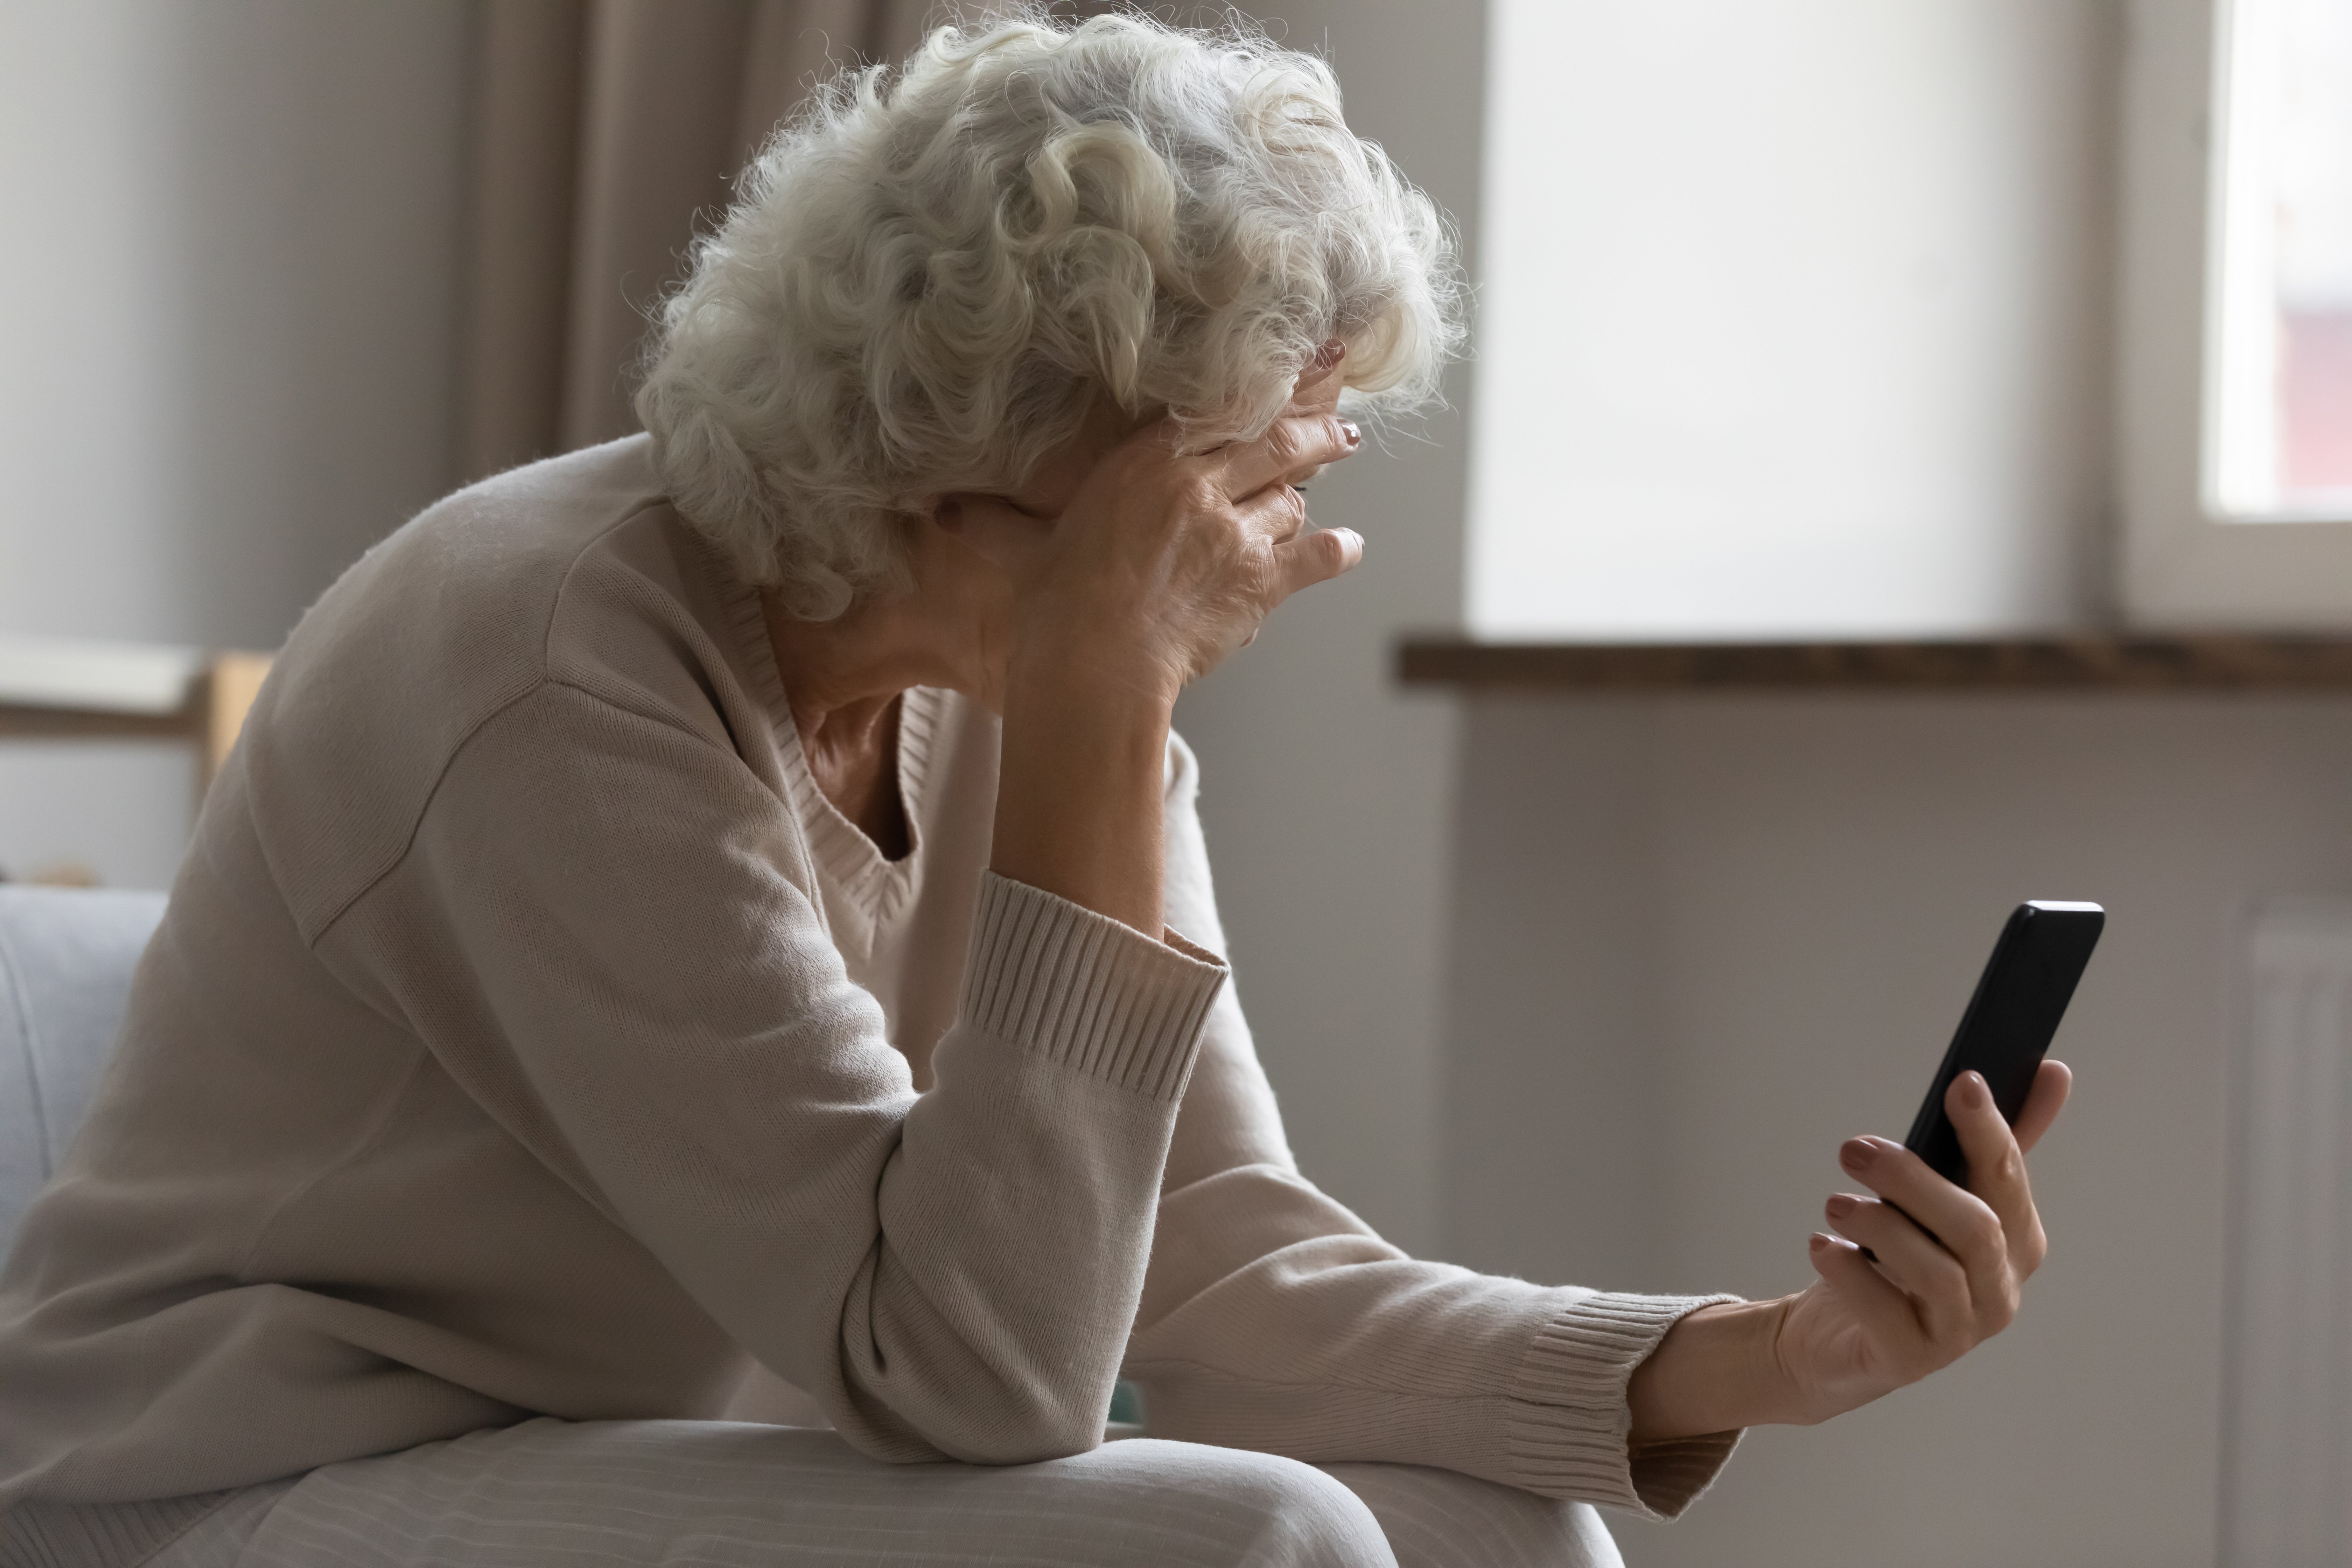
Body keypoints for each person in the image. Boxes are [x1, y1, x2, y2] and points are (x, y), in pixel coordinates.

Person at [0, 13, 2071, 1568]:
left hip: (611, 1455)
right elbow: (975, 1381)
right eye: (1241, 477)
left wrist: (1767, 1358)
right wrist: (1102, 696)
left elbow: (1215, 1266)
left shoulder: (1023, 674)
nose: (1278, 549)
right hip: (232, 1489)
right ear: (997, 443)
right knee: (1273, 1543)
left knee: (1489, 1524)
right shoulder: (549, 665)